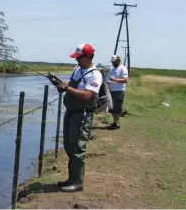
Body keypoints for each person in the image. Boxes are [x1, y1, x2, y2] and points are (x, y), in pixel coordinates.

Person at [48, 43, 103, 192]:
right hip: (71, 112)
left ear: (88, 57)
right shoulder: (77, 69)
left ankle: (77, 182)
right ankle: (71, 178)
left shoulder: (95, 74)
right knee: (68, 145)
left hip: (83, 114)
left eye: (79, 58)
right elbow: (71, 84)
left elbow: (87, 95)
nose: (77, 60)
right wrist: (60, 83)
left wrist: (67, 88)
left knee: (78, 147)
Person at [105, 55, 129, 130]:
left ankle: (117, 124)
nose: (113, 63)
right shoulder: (112, 68)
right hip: (111, 90)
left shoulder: (123, 68)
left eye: (114, 62)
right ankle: (115, 122)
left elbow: (126, 80)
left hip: (119, 91)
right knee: (111, 107)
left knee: (117, 108)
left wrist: (115, 80)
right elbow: (108, 77)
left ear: (118, 61)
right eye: (112, 62)